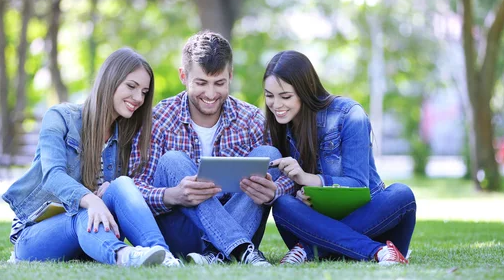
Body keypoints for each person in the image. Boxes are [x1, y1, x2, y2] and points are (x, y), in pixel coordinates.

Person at [2, 48, 182, 267]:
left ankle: (163, 256)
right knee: (82, 212)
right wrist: (92, 199)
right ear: (110, 80)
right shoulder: (60, 118)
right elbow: (52, 175)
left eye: (144, 92)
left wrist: (112, 188)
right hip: (37, 235)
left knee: (123, 184)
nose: (138, 98)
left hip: (92, 236)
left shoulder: (127, 136)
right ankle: (123, 256)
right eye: (131, 86)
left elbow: (134, 191)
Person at [130, 31, 294, 266]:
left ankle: (217, 255)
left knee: (270, 155)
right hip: (183, 233)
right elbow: (134, 187)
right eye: (201, 83)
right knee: (173, 160)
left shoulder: (250, 119)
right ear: (183, 76)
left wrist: (274, 190)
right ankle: (236, 249)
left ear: (230, 75)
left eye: (219, 83)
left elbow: (288, 176)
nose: (210, 94)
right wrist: (172, 195)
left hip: (241, 220)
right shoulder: (160, 118)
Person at [264, 50, 416, 265]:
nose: (276, 105)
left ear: (305, 91)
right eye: (269, 96)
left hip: (371, 224)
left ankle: (309, 250)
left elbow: (356, 185)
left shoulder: (349, 115)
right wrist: (298, 194)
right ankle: (378, 252)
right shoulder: (278, 126)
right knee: (282, 205)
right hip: (318, 226)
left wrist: (308, 179)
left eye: (285, 96)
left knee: (402, 193)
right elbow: (288, 188)